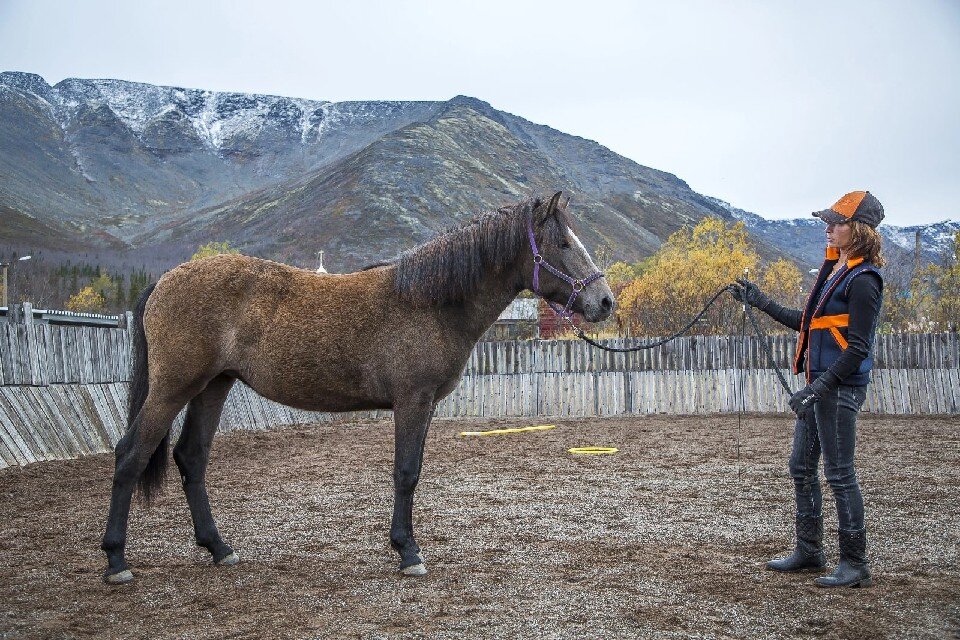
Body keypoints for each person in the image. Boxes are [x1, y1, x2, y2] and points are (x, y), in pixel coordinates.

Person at [733, 190, 885, 588]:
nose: (829, 228)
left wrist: (818, 389)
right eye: (828, 222)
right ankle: (810, 551)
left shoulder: (864, 280)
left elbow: (858, 349)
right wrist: (760, 301)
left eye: (837, 222)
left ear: (858, 230)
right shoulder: (836, 271)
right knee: (801, 466)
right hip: (818, 388)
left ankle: (855, 564)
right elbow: (807, 322)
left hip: (839, 389)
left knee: (839, 474)